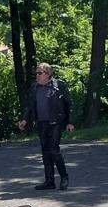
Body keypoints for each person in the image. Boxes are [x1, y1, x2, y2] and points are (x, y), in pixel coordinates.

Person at [18, 62, 73, 190]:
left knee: (54, 150)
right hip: (41, 122)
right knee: (45, 152)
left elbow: (69, 104)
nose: (36, 75)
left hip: (55, 122)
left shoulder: (59, 86)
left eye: (39, 73)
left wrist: (70, 122)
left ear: (48, 74)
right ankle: (49, 181)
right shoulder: (34, 87)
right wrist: (25, 120)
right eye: (36, 73)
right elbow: (29, 106)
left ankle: (64, 177)